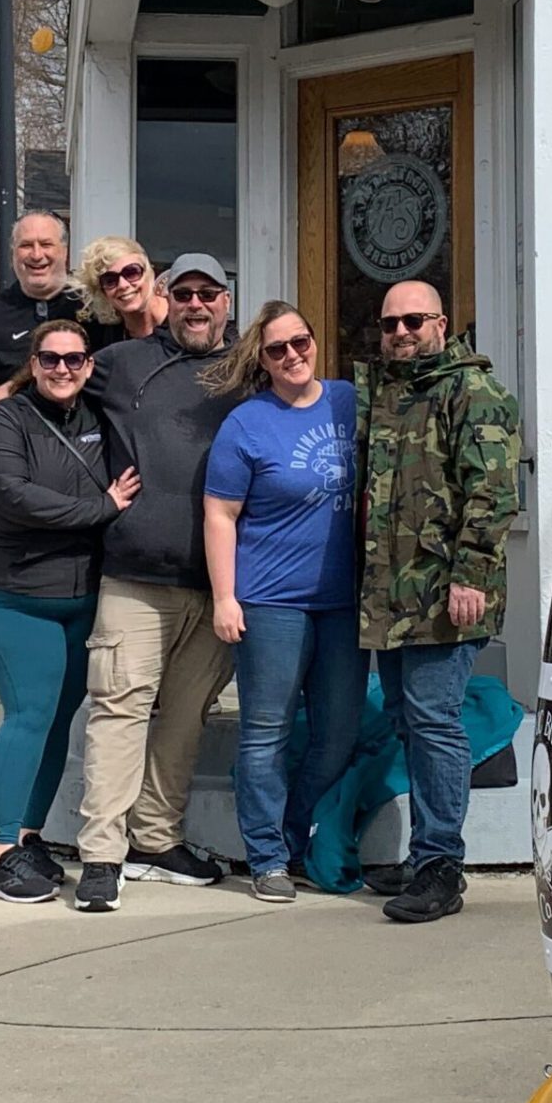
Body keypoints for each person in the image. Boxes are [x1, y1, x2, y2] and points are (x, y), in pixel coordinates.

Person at [71, 252, 243, 913]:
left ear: (227, 301)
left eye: (210, 293)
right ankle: (101, 856)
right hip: (136, 577)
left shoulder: (250, 370)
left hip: (219, 588)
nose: (197, 305)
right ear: (168, 298)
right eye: (186, 293)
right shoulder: (123, 364)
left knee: (185, 717)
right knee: (120, 710)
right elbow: (50, 390)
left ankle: (156, 838)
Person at [356, 279, 521, 924]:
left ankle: (441, 866)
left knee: (434, 724)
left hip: (444, 595)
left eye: (414, 321)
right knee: (408, 722)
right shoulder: (390, 396)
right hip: (391, 599)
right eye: (391, 323)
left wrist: (471, 577)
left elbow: (493, 492)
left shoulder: (470, 391)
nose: (401, 332)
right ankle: (426, 852)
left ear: (441, 323)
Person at [0, 317, 141, 902]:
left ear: (89, 365)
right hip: (16, 598)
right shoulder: (3, 421)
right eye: (49, 359)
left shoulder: (97, 416)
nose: (62, 369)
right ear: (31, 365)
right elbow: (14, 498)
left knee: (58, 723)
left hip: (81, 597)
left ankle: (29, 838)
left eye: (74, 359)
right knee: (28, 717)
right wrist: (102, 507)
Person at [201, 302, 364, 903]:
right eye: (277, 349)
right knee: (265, 734)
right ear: (261, 360)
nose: (293, 354)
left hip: (346, 604)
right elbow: (219, 514)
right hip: (270, 602)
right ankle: (266, 856)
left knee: (338, 733)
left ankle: (293, 838)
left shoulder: (349, 402)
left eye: (301, 341)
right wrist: (225, 596)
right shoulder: (247, 424)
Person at [0, 211, 81, 443]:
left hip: (91, 450)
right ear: (13, 255)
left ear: (65, 251)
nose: (37, 255)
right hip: (23, 449)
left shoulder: (93, 307)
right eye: (26, 245)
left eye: (46, 244)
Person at [76, 235, 167, 343]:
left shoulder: (182, 314)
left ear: (149, 274)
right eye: (110, 280)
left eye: (131, 272)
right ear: (103, 293)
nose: (123, 285)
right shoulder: (109, 337)